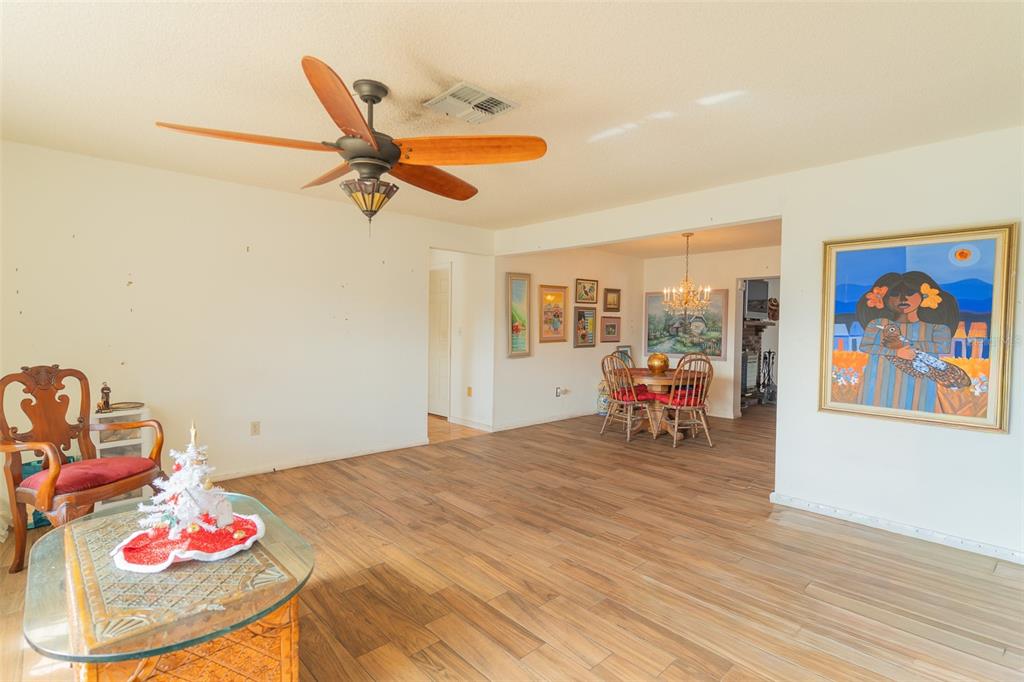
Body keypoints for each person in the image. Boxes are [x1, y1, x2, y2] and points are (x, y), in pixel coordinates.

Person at [856, 271, 959, 412]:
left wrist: (908, 344)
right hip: (880, 382)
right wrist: (896, 352)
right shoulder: (878, 323)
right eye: (895, 294)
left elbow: (943, 346)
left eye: (910, 292)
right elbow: (865, 346)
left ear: (924, 296)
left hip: (919, 383)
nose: (903, 298)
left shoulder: (936, 327)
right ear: (884, 298)